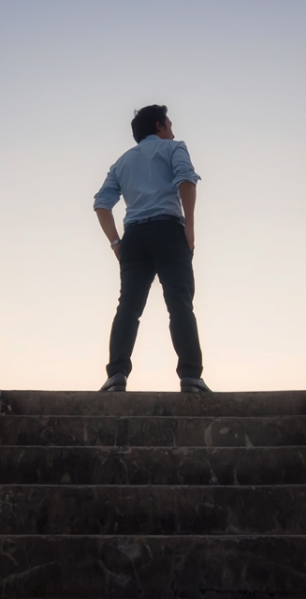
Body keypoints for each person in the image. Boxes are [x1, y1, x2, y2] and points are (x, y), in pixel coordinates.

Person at [92, 104, 212, 393]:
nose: (172, 131)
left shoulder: (122, 162)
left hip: (134, 237)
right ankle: (191, 376)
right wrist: (190, 226)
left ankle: (116, 374)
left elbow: (101, 203)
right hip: (168, 231)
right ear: (159, 126)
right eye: (169, 124)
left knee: (128, 307)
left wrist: (116, 243)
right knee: (180, 304)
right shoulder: (173, 149)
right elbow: (185, 180)